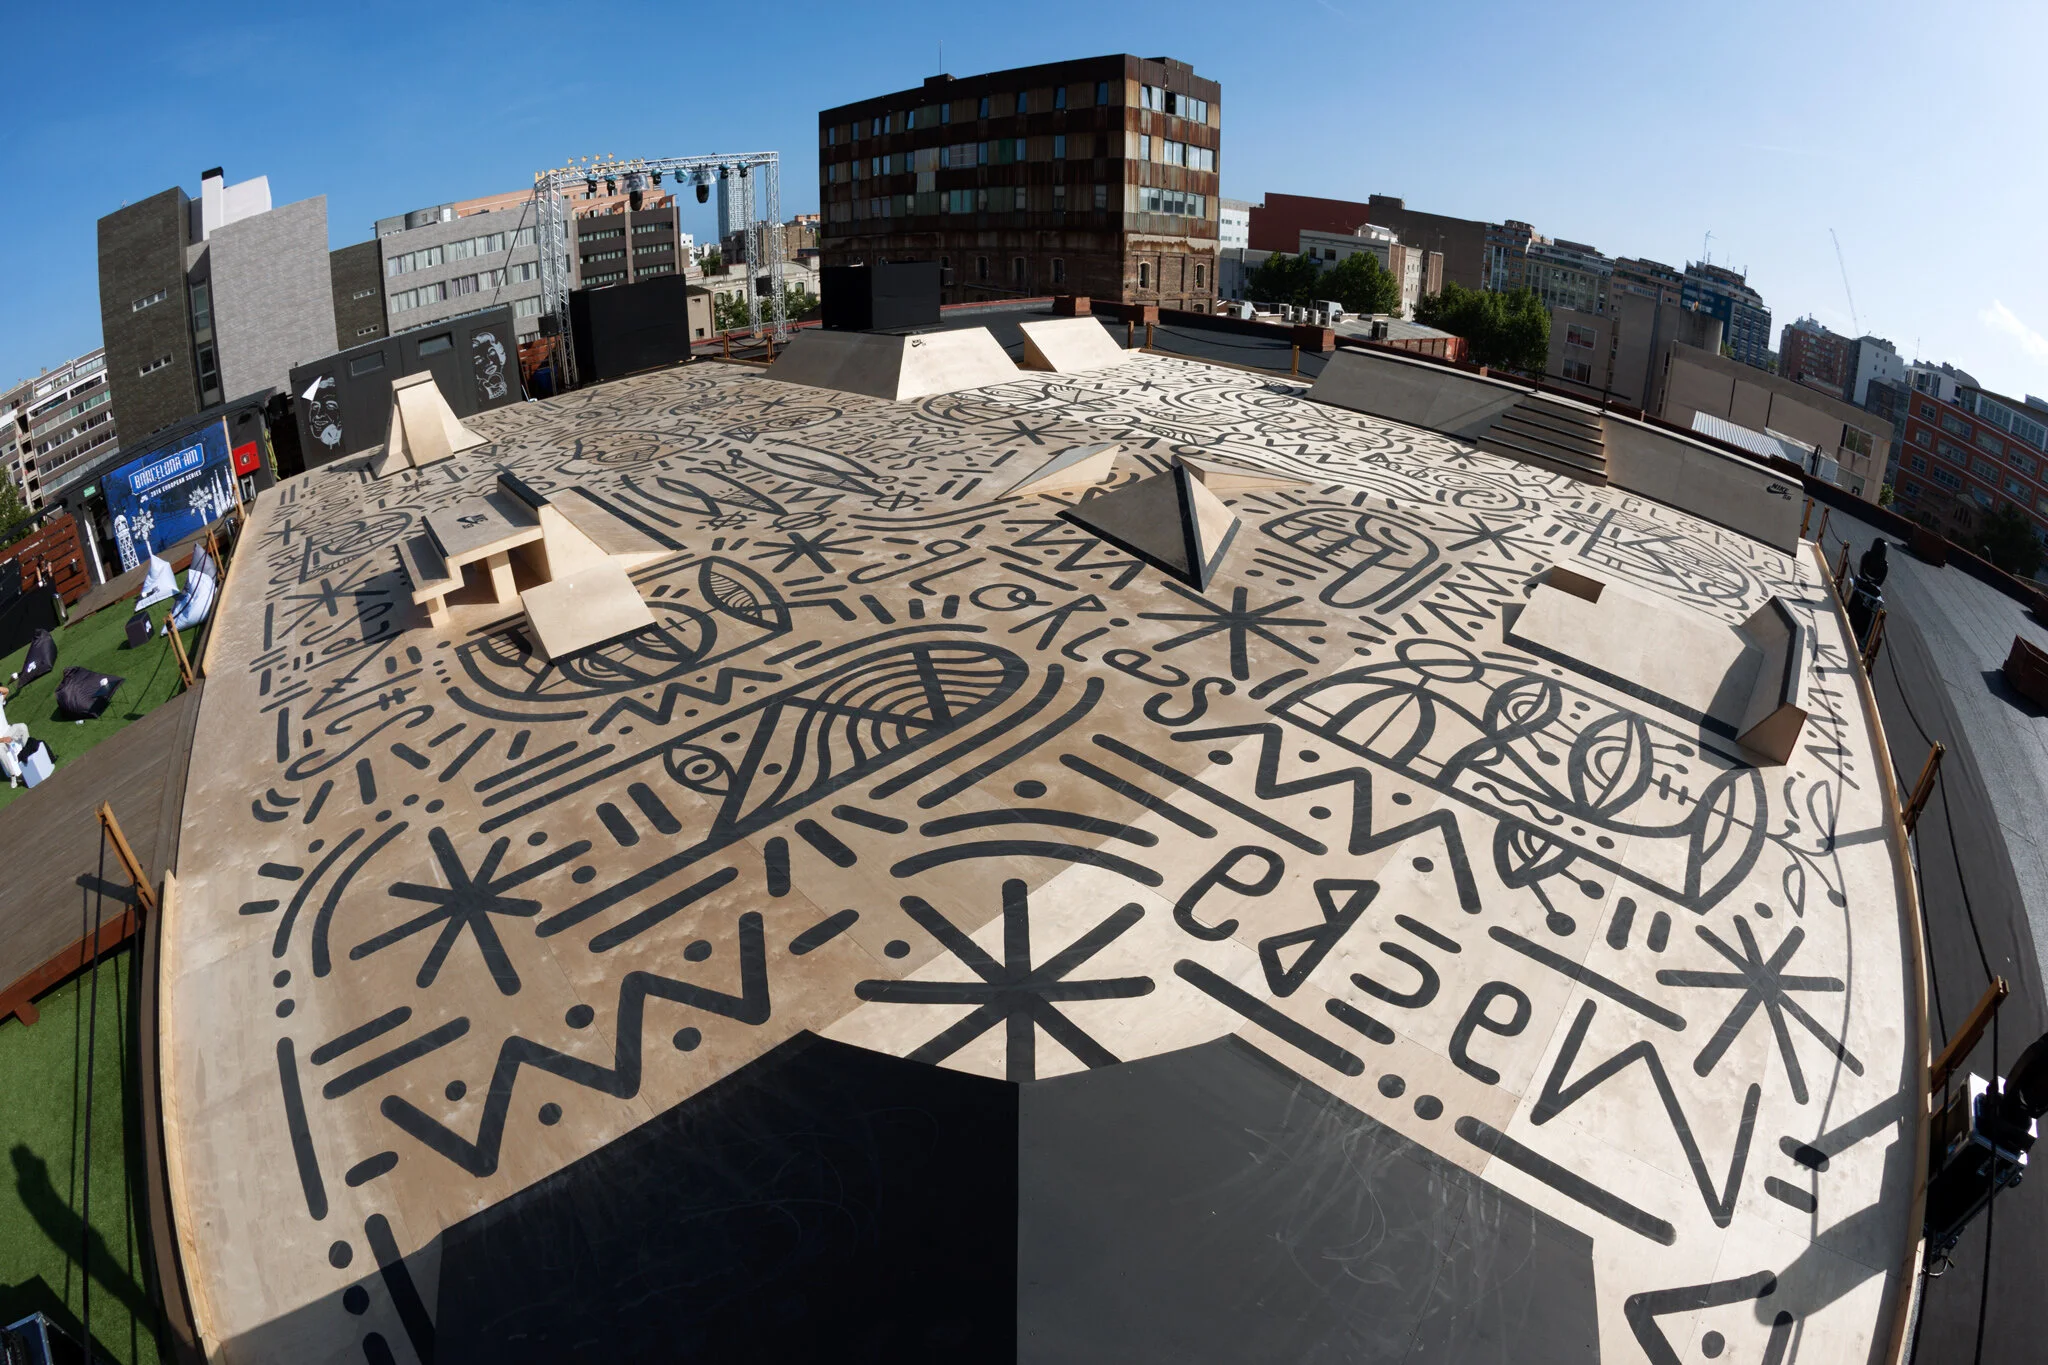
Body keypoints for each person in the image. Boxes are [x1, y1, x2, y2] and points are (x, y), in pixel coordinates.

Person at [0, 684, 28, 788]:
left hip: (9, 730)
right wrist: (3, 739)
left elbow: (6, 690)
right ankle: (13, 775)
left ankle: (27, 752)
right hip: (0, 741)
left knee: (22, 727)